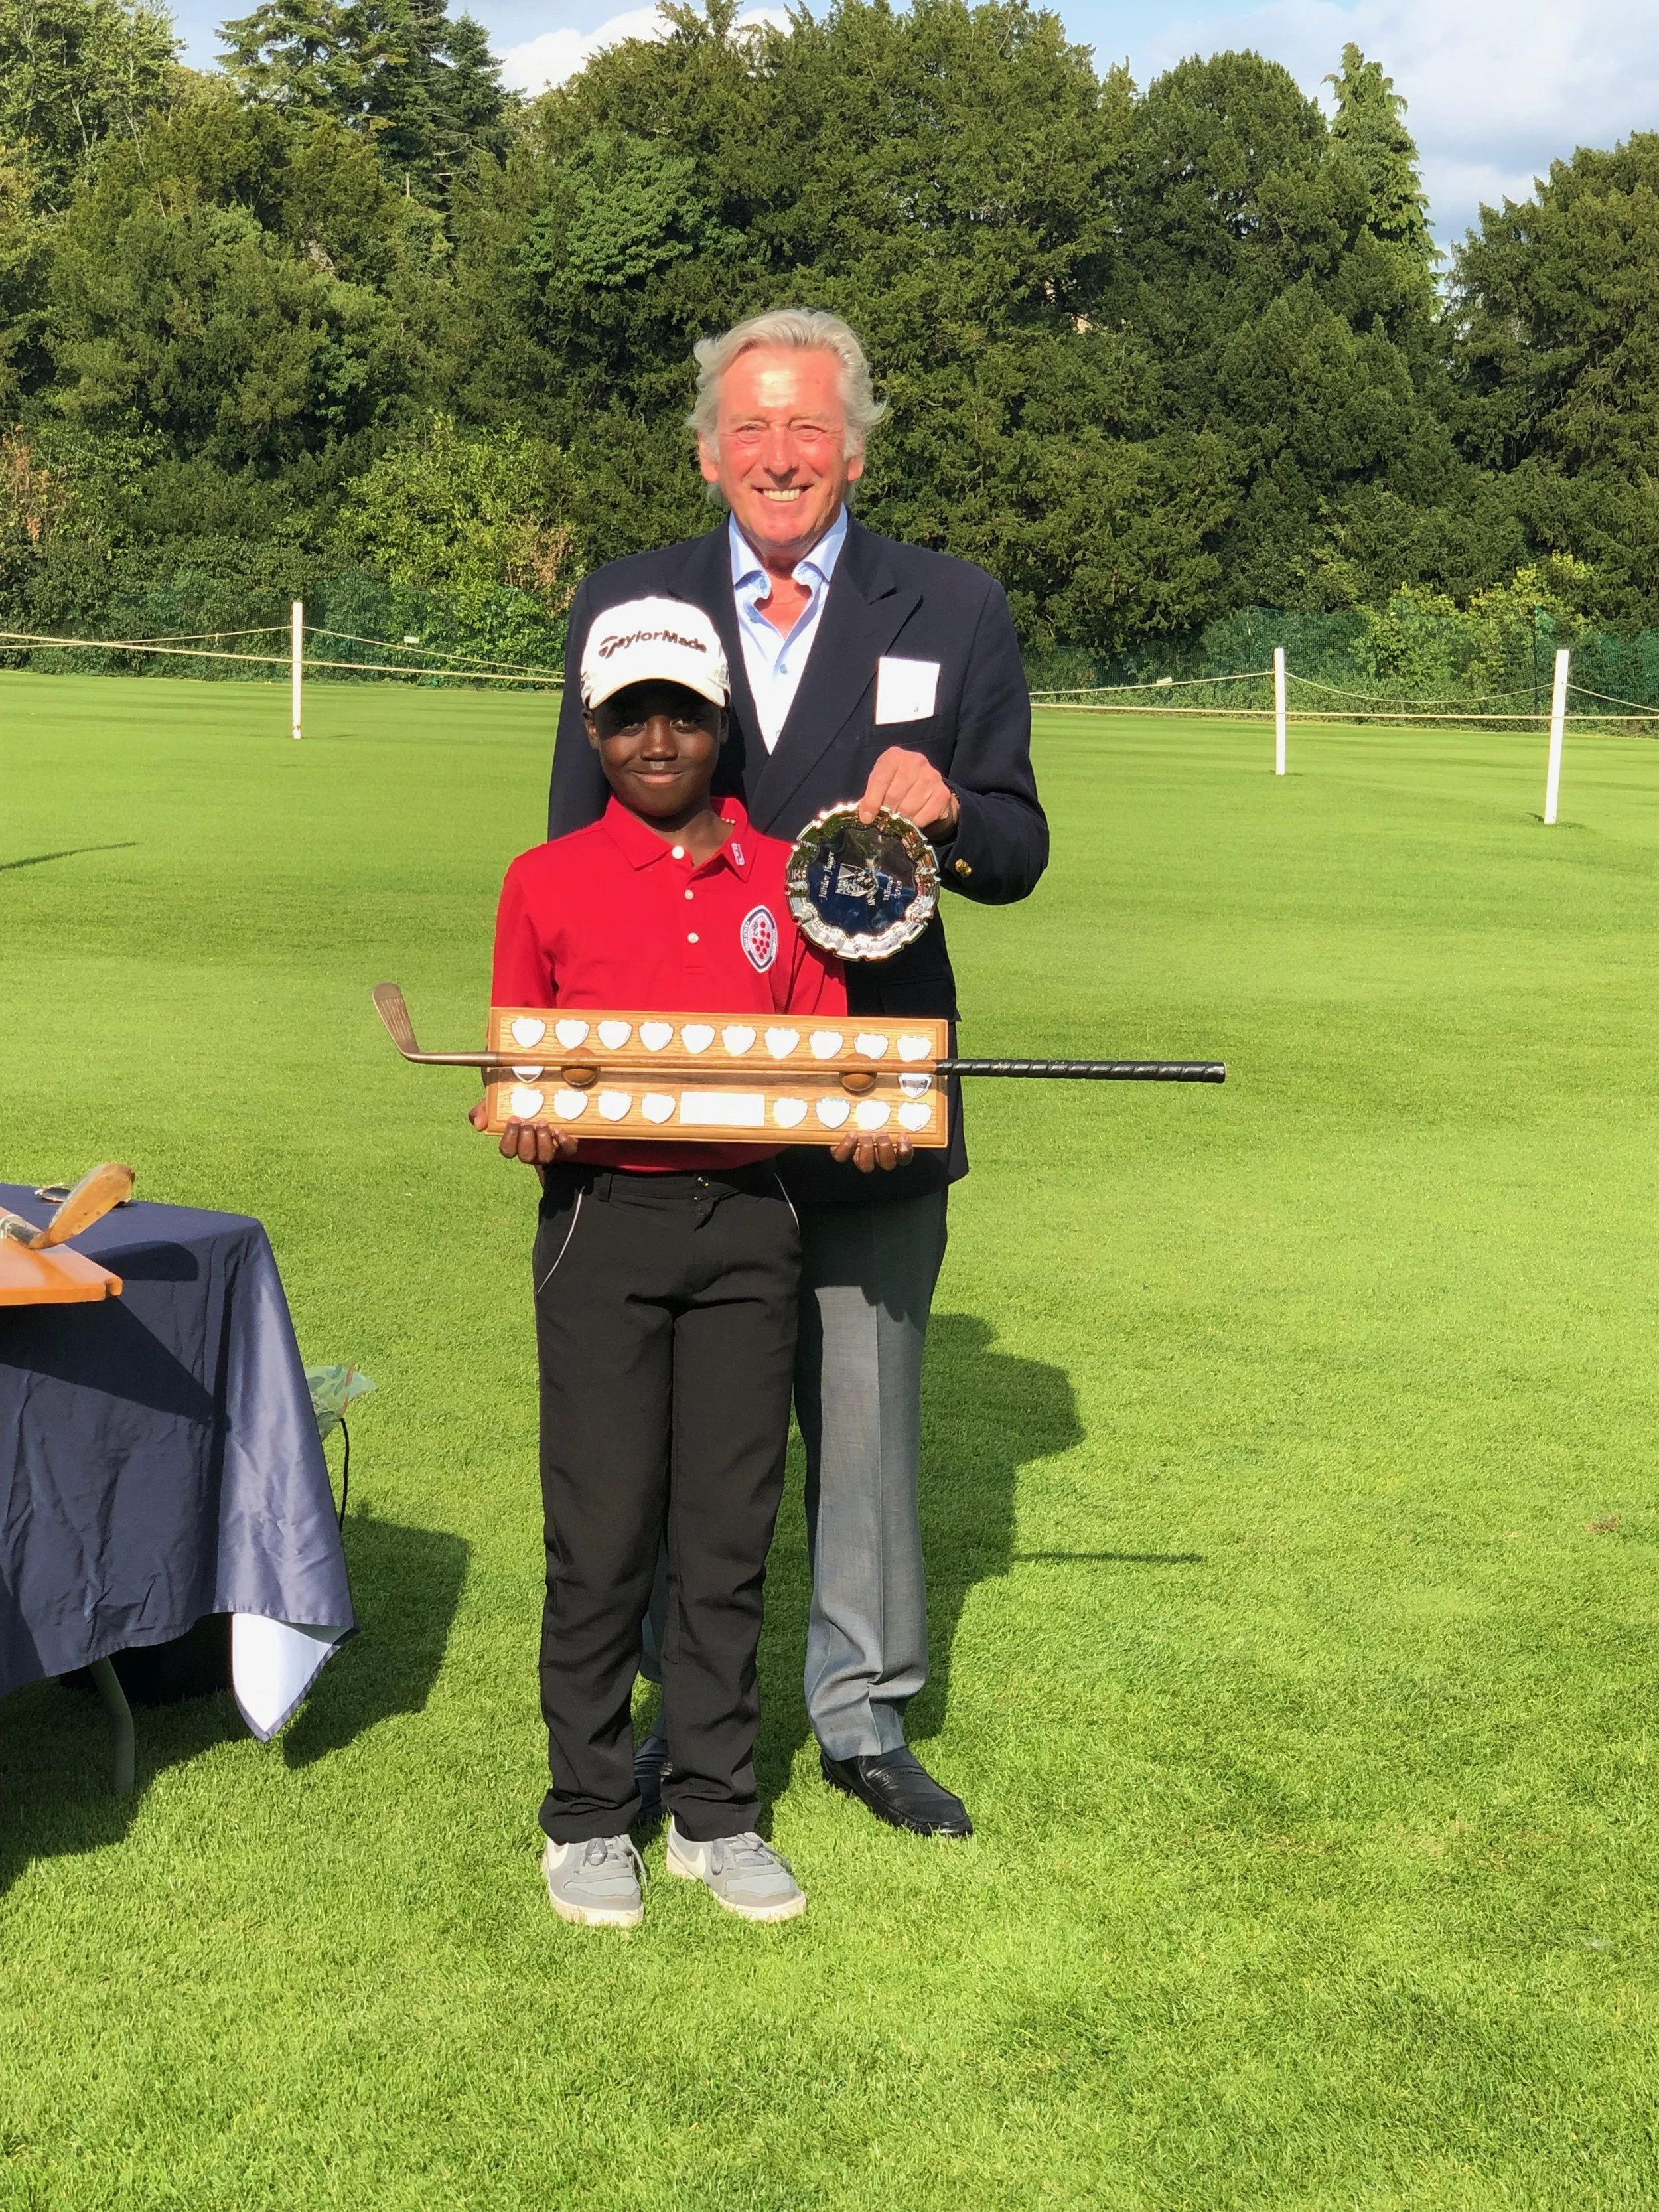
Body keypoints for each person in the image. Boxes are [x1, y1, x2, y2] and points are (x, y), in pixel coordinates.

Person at [547, 310, 1047, 1840]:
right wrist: (562, 1079)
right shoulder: (626, 600)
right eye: (750, 428)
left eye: (809, 427)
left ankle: (859, 1713)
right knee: (667, 1440)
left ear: (856, 448)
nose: (779, 455)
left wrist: (948, 809)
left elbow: (1019, 844)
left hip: (863, 1098)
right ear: (706, 452)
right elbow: (571, 852)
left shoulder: (952, 605)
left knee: (864, 1418)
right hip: (678, 1103)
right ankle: (672, 1716)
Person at [482, 596, 869, 1928]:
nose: (657, 740)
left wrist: (865, 1117)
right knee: (600, 1533)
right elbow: (522, 1064)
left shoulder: (788, 879)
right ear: (592, 729)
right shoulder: (543, 878)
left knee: (726, 1529)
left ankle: (716, 1808)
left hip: (749, 1225)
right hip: (602, 1223)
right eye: (628, 716)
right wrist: (527, 1119)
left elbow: (828, 1054)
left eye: (684, 715)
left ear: (721, 725)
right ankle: (589, 1815)